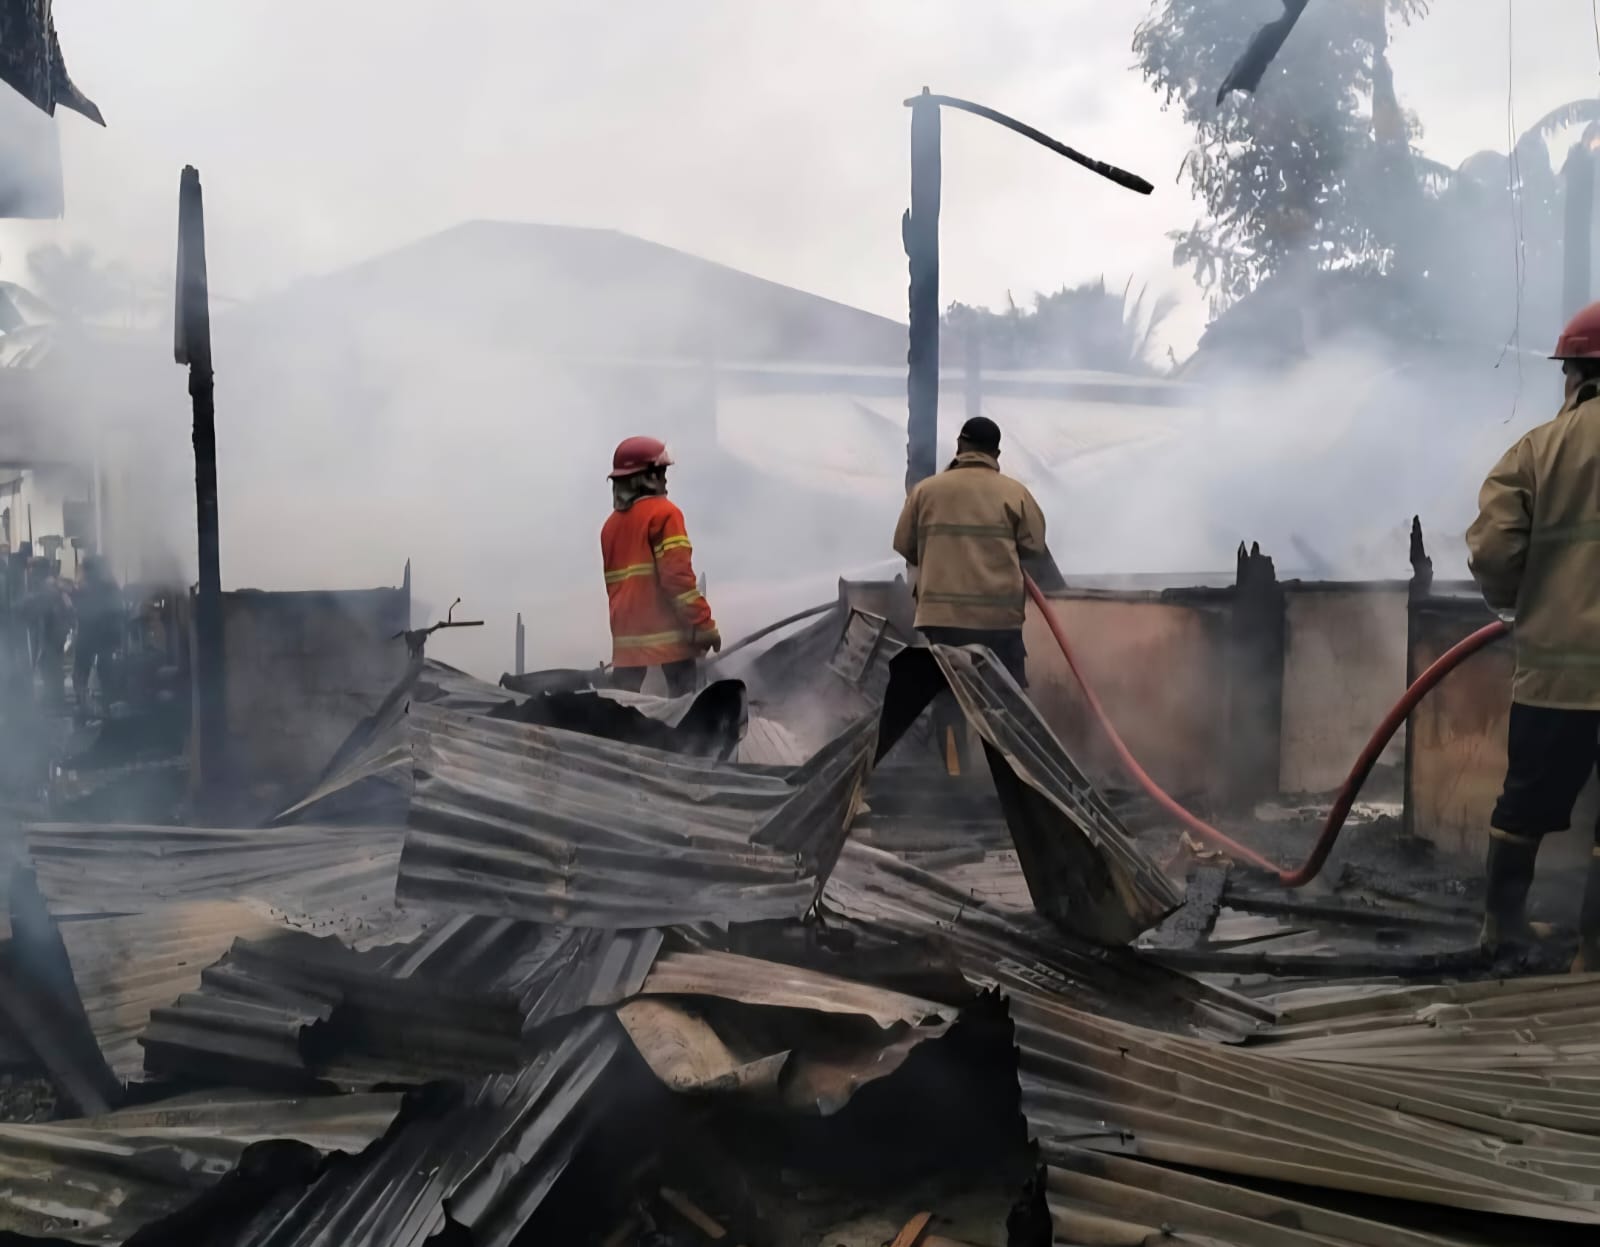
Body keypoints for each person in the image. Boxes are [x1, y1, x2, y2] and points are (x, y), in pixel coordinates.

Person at [1467, 299, 1600, 967]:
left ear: (1575, 372)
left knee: (1524, 807)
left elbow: (1493, 550)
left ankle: (1504, 931)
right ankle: (1594, 955)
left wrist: (1521, 602)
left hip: (1557, 679)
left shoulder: (1538, 451)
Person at [892, 416, 1047, 686]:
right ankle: (999, 728)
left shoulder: (924, 491)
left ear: (959, 446)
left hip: (940, 618)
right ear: (996, 453)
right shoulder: (1015, 493)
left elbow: (905, 545)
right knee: (1005, 694)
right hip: (998, 621)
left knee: (947, 691)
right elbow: (1034, 547)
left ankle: (949, 727)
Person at [600, 436, 720, 698]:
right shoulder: (665, 514)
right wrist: (704, 625)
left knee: (622, 710)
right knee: (686, 712)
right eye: (661, 472)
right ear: (646, 477)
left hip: (626, 643)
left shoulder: (609, 527)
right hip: (669, 640)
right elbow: (678, 581)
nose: (665, 479)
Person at [71, 555, 121, 721]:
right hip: (106, 637)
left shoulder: (84, 587)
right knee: (106, 674)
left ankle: (83, 708)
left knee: (80, 674)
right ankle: (107, 708)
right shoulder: (111, 586)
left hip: (88, 636)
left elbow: (78, 609)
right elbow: (118, 610)